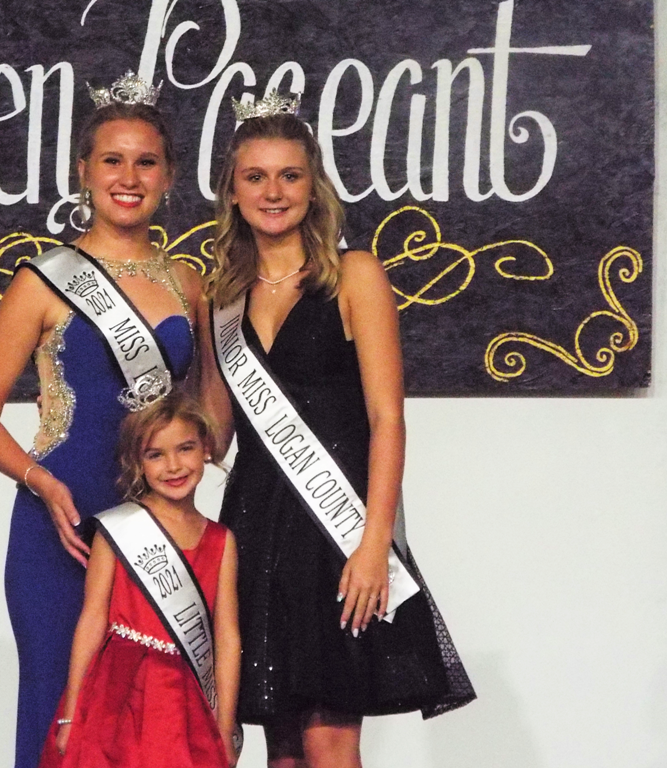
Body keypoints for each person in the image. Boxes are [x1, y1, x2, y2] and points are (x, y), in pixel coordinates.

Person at [0, 73, 222, 768]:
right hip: (63, 525)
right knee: (59, 711)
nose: (128, 178)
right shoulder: (42, 279)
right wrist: (42, 484)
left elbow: (205, 415)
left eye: (145, 162)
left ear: (169, 175)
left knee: (146, 721)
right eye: (112, 160)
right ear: (83, 171)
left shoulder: (188, 282)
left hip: (155, 526)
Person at [206, 95, 476, 768]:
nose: (273, 192)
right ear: (232, 191)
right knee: (281, 748)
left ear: (314, 186)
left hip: (338, 528)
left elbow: (388, 419)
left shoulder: (354, 275)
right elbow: (214, 433)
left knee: (331, 742)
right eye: (256, 177)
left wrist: (374, 542)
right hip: (256, 527)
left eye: (290, 175)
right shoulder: (221, 295)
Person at [37, 389, 240, 768]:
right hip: (117, 695)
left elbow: (227, 637)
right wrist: (71, 714)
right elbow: (92, 619)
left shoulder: (221, 541)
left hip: (184, 700)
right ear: (137, 462)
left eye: (185, 448)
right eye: (155, 455)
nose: (173, 466)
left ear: (206, 449)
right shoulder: (118, 528)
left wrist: (224, 727)